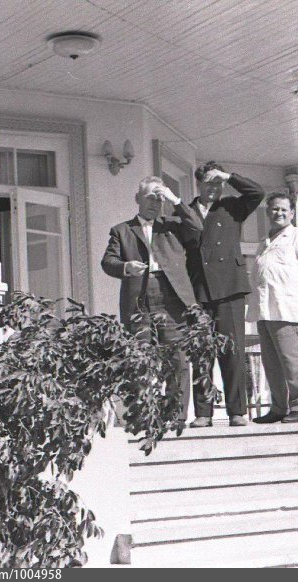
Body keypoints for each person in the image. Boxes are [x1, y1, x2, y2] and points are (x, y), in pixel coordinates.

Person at [101, 176, 201, 422]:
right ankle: (144, 418)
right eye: (150, 198)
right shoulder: (122, 230)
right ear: (138, 199)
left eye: (159, 199)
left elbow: (197, 227)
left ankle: (176, 417)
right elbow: (108, 262)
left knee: (177, 359)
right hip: (139, 301)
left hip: (172, 299)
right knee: (140, 359)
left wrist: (174, 199)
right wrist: (126, 267)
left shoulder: (173, 225)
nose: (155, 203)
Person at [186, 162, 265, 427]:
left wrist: (228, 176)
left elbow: (257, 193)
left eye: (217, 183)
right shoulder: (185, 211)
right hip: (199, 291)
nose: (214, 188)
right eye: (209, 182)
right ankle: (203, 413)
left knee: (233, 352)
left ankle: (237, 411)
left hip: (230, 289)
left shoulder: (232, 207)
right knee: (201, 353)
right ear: (198, 183)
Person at [248, 192, 298, 424]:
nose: (279, 213)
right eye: (274, 209)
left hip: (288, 309)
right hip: (265, 310)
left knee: (293, 361)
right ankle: (279, 407)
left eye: (284, 209)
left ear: (292, 213)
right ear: (267, 212)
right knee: (272, 363)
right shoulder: (264, 242)